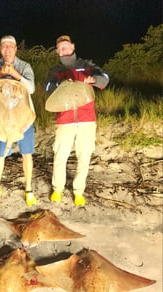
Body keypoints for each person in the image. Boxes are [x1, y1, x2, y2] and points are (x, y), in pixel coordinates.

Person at [45, 35, 109, 206]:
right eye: (60, 48)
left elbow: (105, 77)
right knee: (60, 155)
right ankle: (57, 188)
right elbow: (48, 88)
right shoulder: (56, 71)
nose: (64, 50)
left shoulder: (86, 65)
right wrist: (62, 84)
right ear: (57, 52)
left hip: (87, 118)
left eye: (66, 46)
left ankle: (78, 191)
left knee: (84, 155)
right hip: (64, 119)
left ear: (73, 47)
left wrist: (94, 80)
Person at [0, 35, 37, 207]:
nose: (7, 49)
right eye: (4, 46)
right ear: (0, 49)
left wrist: (14, 74)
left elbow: (31, 88)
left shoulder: (24, 66)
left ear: (15, 49)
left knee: (26, 153)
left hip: (24, 118)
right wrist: (1, 74)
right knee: (0, 154)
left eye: (10, 46)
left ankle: (28, 189)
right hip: (2, 119)